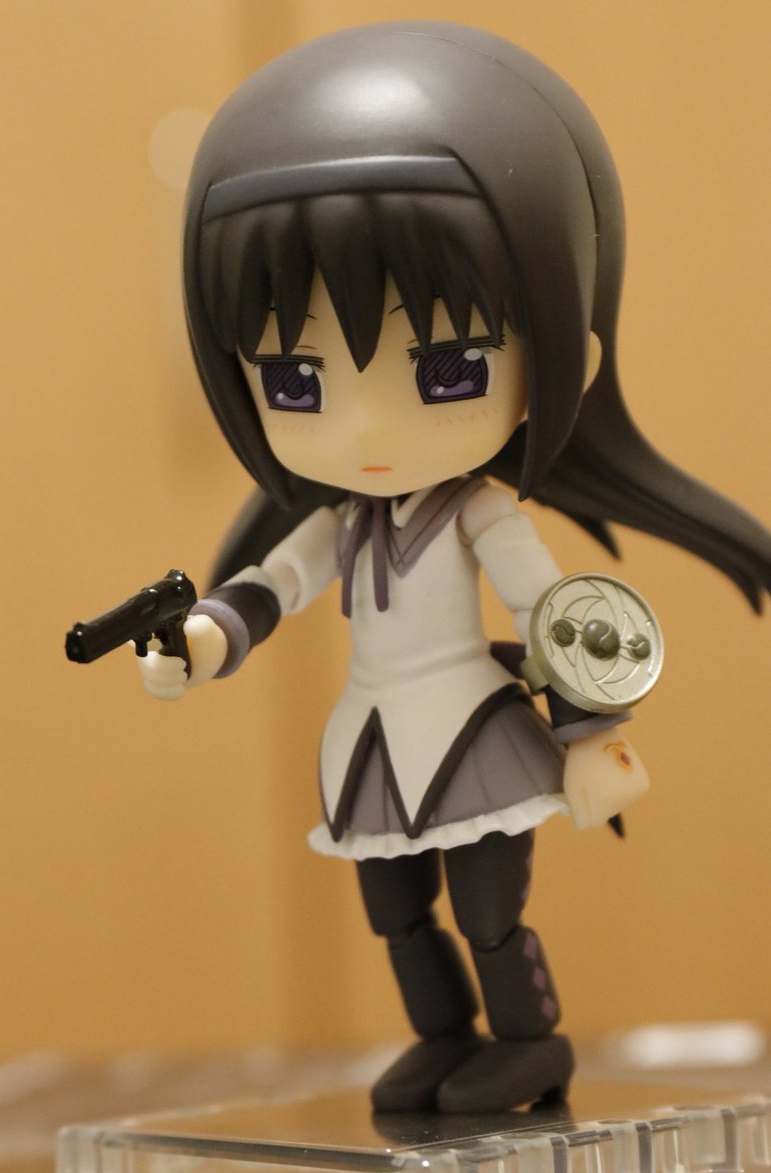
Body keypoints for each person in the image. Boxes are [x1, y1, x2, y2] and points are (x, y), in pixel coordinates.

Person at [137, 23, 771, 1112]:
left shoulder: (480, 512)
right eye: (296, 381)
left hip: (474, 734)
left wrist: (590, 737)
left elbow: (556, 614)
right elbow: (271, 588)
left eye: (445, 369)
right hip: (372, 739)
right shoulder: (340, 523)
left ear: (559, 350)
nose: (366, 428)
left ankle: (529, 1041)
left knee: (486, 910)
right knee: (394, 910)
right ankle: (444, 1038)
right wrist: (195, 645)